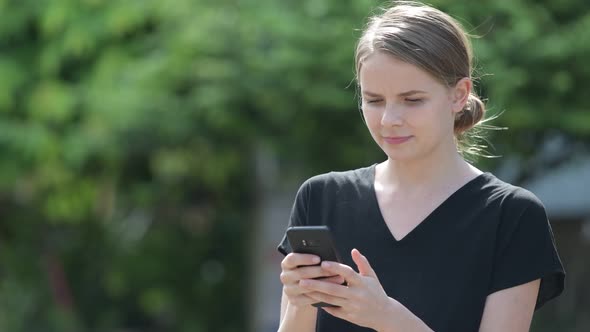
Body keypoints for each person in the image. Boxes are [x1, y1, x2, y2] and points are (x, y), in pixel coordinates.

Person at [276, 1, 565, 331]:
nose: (389, 120)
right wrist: (300, 301)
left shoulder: (512, 216)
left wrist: (386, 317)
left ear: (459, 95)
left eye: (412, 100)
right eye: (374, 100)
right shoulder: (320, 197)